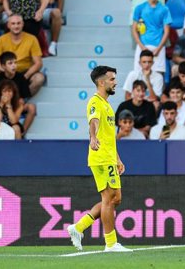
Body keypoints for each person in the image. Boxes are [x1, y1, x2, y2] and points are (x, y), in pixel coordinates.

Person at [67, 66, 131, 252]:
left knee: (115, 199)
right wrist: (92, 137)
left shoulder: (107, 104)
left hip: (110, 157)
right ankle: (110, 243)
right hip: (101, 158)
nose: (115, 82)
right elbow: (93, 122)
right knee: (109, 199)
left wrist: (118, 158)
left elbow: (109, 136)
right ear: (101, 82)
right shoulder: (95, 102)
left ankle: (78, 227)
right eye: (112, 79)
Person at [0, 14, 45, 95]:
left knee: (39, 78)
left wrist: (24, 77)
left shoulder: (32, 39)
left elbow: (38, 63)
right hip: (6, 71)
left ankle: (22, 98)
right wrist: (6, 72)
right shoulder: (1, 39)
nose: (16, 26)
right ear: (8, 25)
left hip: (25, 72)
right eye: (13, 23)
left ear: (23, 24)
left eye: (18, 23)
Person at [131, 0, 171, 74]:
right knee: (138, 74)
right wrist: (142, 47)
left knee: (158, 74)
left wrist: (159, 48)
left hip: (158, 46)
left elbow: (166, 31)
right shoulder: (139, 8)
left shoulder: (164, 9)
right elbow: (134, 29)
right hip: (142, 45)